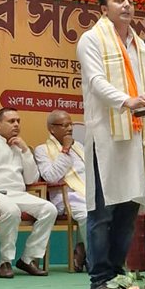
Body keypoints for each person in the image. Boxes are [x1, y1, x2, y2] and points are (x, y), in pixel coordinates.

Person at [77, 0, 145, 289]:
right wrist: (129, 101)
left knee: (128, 214)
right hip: (106, 138)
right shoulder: (91, 40)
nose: (127, 4)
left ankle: (116, 274)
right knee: (102, 213)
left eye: (129, 0)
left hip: (136, 139)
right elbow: (97, 82)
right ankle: (99, 278)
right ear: (103, 9)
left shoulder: (140, 46)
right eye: (119, 0)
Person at [0, 108, 56, 278]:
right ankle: (5, 261)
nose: (16, 124)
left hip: (17, 193)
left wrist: (25, 151)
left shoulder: (19, 146)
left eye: (18, 121)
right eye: (11, 121)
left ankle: (28, 259)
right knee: (12, 210)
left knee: (49, 209)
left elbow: (31, 179)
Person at [34, 110, 87, 271]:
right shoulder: (42, 150)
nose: (70, 128)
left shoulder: (78, 146)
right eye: (65, 125)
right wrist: (64, 151)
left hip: (87, 194)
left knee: (108, 211)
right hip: (65, 197)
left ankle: (85, 251)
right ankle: (96, 259)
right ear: (52, 129)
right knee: (88, 215)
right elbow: (50, 177)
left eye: (71, 124)